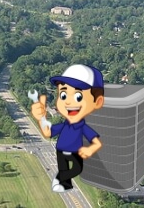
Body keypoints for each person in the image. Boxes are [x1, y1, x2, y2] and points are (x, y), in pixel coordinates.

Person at [31, 64, 104, 193]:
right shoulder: (64, 124)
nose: (68, 102)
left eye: (78, 97)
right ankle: (65, 183)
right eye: (63, 95)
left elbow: (96, 142)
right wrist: (41, 118)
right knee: (64, 169)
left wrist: (90, 149)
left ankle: (59, 179)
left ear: (97, 102)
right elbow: (48, 133)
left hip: (75, 151)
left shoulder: (83, 126)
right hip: (60, 150)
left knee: (77, 169)